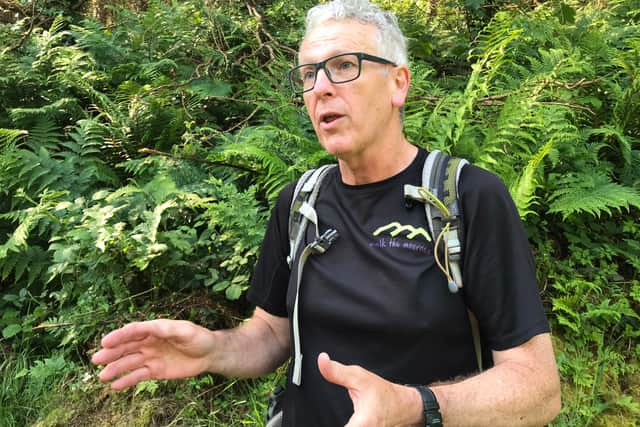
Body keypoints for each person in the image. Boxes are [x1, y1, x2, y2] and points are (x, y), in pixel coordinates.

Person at [91, 0, 562, 425]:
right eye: (308, 74)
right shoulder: (301, 202)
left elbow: (538, 390)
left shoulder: (467, 198)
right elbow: (271, 335)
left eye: (343, 66)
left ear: (398, 83)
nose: (321, 89)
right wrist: (214, 348)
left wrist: (414, 407)